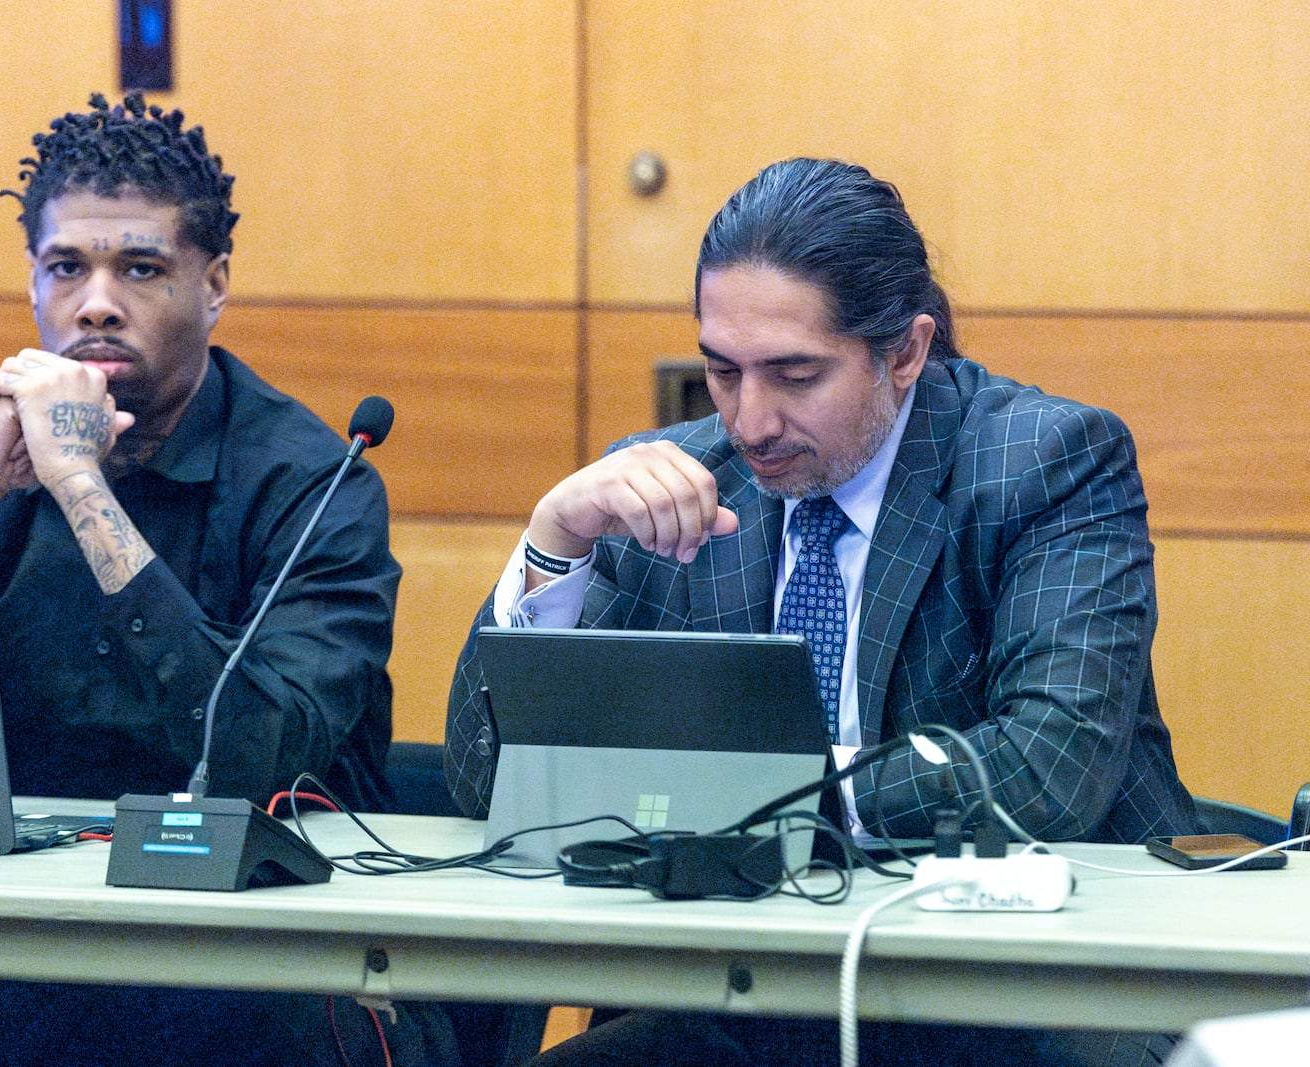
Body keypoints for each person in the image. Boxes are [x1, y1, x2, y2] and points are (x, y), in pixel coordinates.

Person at [445, 158, 1198, 1066]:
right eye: (722, 372)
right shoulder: (672, 482)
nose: (749, 420)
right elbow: (487, 782)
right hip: (751, 990)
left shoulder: (1045, 462)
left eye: (794, 375)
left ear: (907, 352)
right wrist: (551, 545)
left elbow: (1052, 762)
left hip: (1029, 988)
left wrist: (765, 790)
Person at [0, 92, 458, 1067]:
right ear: (32, 284)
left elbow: (245, 749)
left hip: (267, 956)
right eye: (66, 267)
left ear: (212, 284)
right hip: (14, 935)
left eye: (138, 267)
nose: (95, 299)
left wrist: (79, 483)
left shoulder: (314, 482)